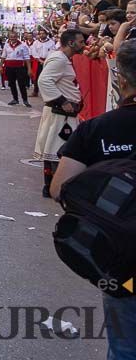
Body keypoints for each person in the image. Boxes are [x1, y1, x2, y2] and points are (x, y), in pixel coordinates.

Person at [51, 39, 136, 359]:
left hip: (124, 264)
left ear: (121, 80)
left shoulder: (97, 129)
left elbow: (61, 188)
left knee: (126, 347)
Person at [34, 29, 85, 198]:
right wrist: (62, 101)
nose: (83, 45)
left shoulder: (63, 59)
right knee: (58, 148)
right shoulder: (59, 59)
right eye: (80, 41)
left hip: (63, 113)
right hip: (60, 113)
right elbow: (44, 80)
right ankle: (52, 186)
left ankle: (51, 186)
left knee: (56, 147)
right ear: (71, 43)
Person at [2, 31, 32, 107]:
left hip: (20, 67)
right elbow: (3, 56)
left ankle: (25, 100)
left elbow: (27, 58)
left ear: (17, 36)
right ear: (9, 37)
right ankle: (15, 99)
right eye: (11, 36)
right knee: (11, 84)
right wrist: (0, 66)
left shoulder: (23, 45)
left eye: (14, 36)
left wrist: (29, 69)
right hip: (9, 67)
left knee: (22, 84)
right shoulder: (6, 45)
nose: (13, 38)